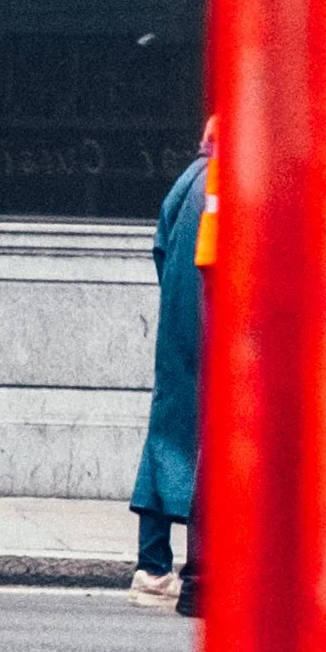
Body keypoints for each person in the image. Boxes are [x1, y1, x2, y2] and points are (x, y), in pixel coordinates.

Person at [130, 137, 208, 612]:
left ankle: (153, 567)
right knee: (209, 447)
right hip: (212, 324)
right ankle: (198, 574)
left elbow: (160, 244)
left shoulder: (193, 176)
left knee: (167, 437)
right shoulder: (225, 181)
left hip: (180, 323)